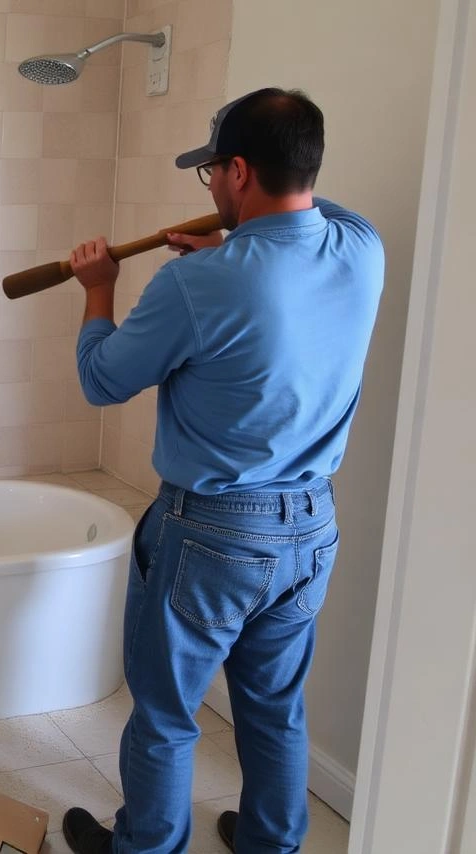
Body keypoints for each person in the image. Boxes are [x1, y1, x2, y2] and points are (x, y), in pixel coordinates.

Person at [59, 88, 384, 853]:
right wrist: (238, 240)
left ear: (238, 171)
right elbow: (304, 219)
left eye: (212, 173)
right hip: (310, 530)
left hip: (213, 536)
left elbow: (102, 380)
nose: (210, 189)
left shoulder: (194, 285)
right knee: (275, 708)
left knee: (167, 714)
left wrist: (99, 288)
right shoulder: (361, 250)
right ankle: (272, 843)